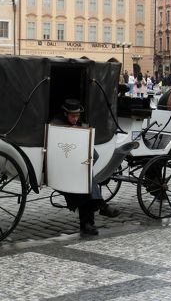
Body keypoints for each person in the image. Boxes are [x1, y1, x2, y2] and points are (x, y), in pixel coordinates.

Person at [51, 99, 121, 235]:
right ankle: (101, 207)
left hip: (76, 169)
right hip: (61, 168)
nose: (76, 119)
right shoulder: (57, 124)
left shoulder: (78, 126)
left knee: (85, 182)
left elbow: (94, 155)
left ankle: (87, 224)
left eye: (78, 116)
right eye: (73, 116)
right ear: (65, 114)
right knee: (84, 182)